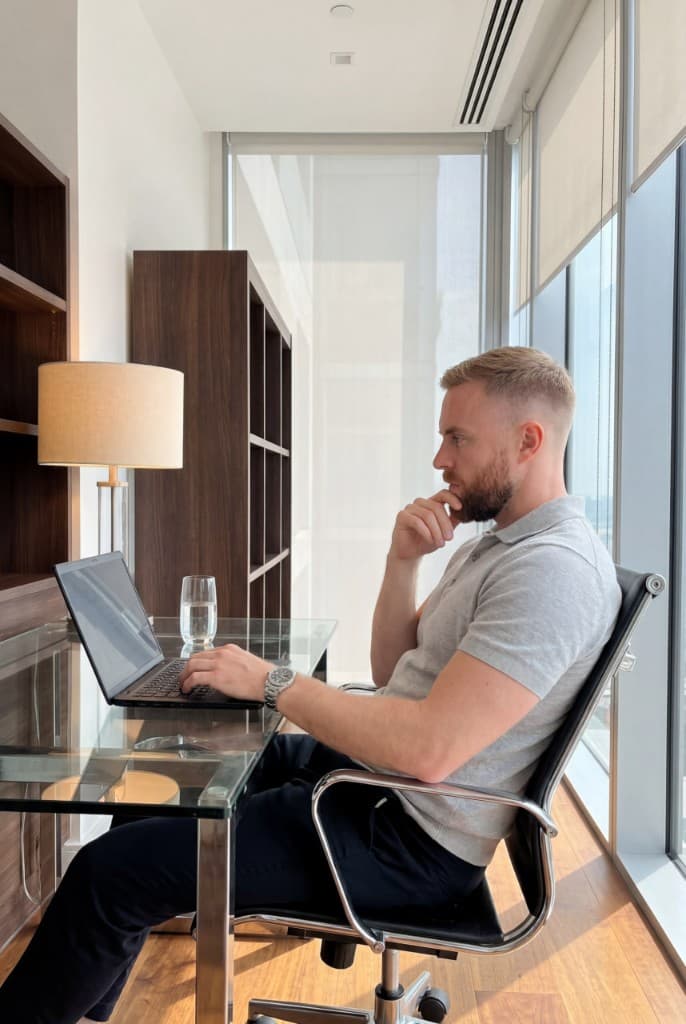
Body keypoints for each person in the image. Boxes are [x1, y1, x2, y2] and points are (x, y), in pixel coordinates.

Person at [0, 346, 621, 1024]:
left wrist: (272, 681)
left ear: (528, 440)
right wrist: (402, 560)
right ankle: (86, 1008)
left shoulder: (551, 572)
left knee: (106, 874)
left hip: (401, 833)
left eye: (457, 438)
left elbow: (429, 750)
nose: (440, 459)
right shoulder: (498, 544)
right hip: (371, 784)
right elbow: (393, 671)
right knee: (163, 774)